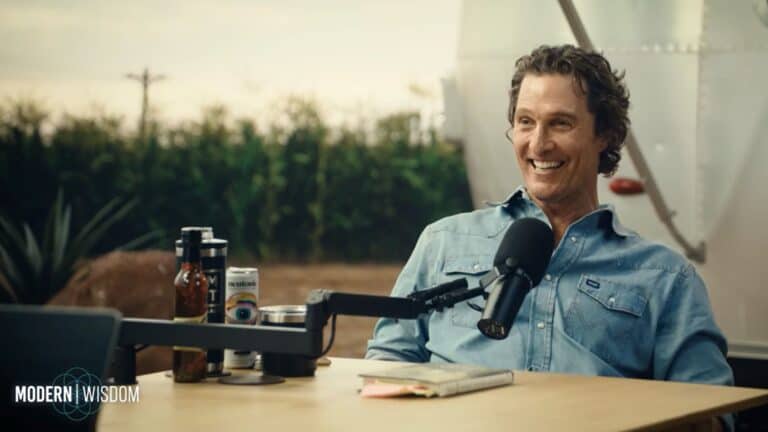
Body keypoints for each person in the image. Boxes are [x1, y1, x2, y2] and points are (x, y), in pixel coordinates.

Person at [365, 45, 733, 430]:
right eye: (526, 122)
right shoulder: (442, 241)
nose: (538, 145)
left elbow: (715, 414)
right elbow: (384, 368)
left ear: (604, 134)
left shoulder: (666, 277)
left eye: (560, 123)